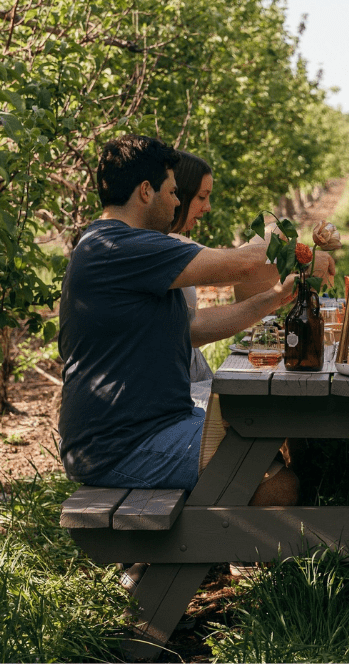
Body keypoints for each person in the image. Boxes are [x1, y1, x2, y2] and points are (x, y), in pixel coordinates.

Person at [58, 135, 334, 496]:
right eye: (173, 192)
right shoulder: (117, 246)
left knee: (266, 434)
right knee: (278, 485)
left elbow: (193, 328)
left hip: (151, 425)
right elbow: (241, 264)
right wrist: (291, 244)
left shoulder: (122, 246)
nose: (177, 202)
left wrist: (274, 299)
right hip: (121, 445)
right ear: (146, 191)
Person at [169, 150, 293, 384]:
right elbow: (237, 268)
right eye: (201, 197)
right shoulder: (164, 244)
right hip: (178, 386)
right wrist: (299, 259)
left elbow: (189, 327)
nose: (208, 208)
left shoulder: (170, 241)